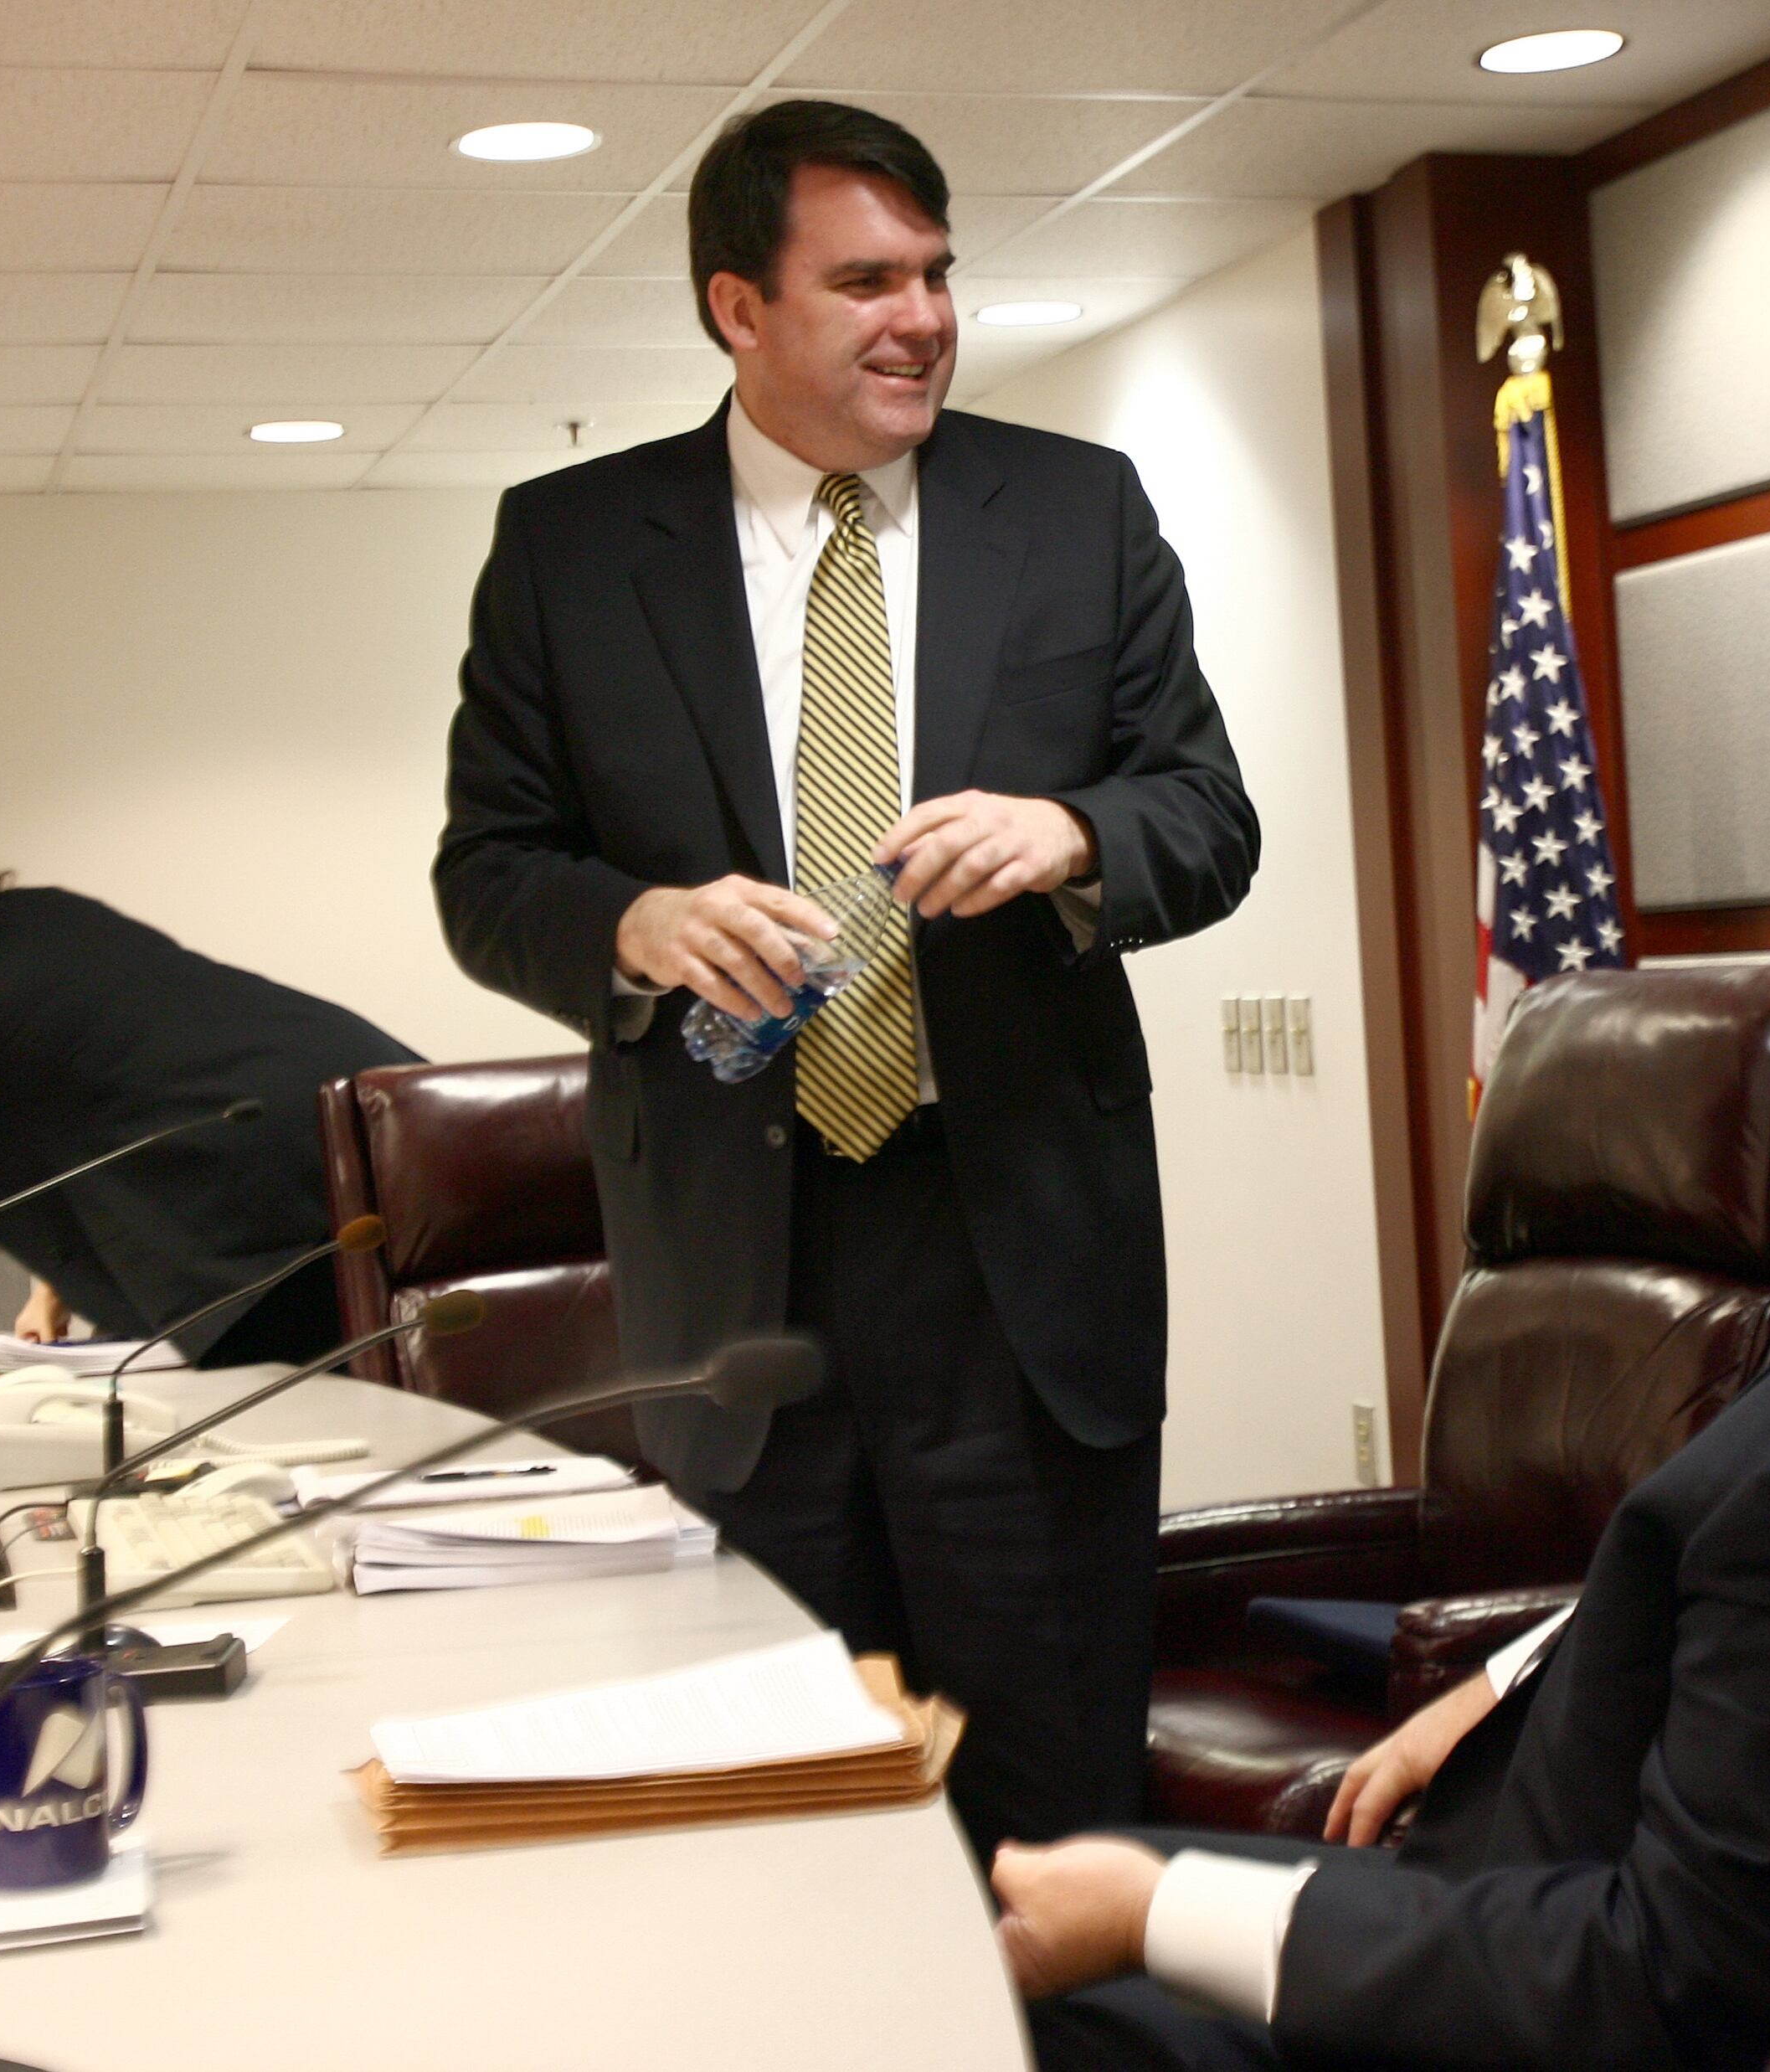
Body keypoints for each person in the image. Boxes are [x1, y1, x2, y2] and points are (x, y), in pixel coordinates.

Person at [990, 764, 1770, 2072]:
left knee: (1029, 1974)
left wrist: (1151, 1914)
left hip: (1513, 1983)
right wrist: (1514, 1673)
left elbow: (1662, 1988)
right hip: (1526, 1874)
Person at [432, 100, 1258, 1858]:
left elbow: (1209, 812)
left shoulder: (1076, 509)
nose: (925, 318)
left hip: (1019, 1255)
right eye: (867, 280)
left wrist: (1077, 833)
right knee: (786, 1818)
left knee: (1049, 1814)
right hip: (743, 1279)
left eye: (941, 275)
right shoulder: (573, 548)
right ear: (740, 306)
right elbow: (487, 875)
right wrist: (635, 929)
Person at [0, 834, 419, 1364]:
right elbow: (104, 1086)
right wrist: (52, 1286)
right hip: (392, 1118)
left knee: (337, 1442)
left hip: (251, 1222)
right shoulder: (41, 915)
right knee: (451, 1382)